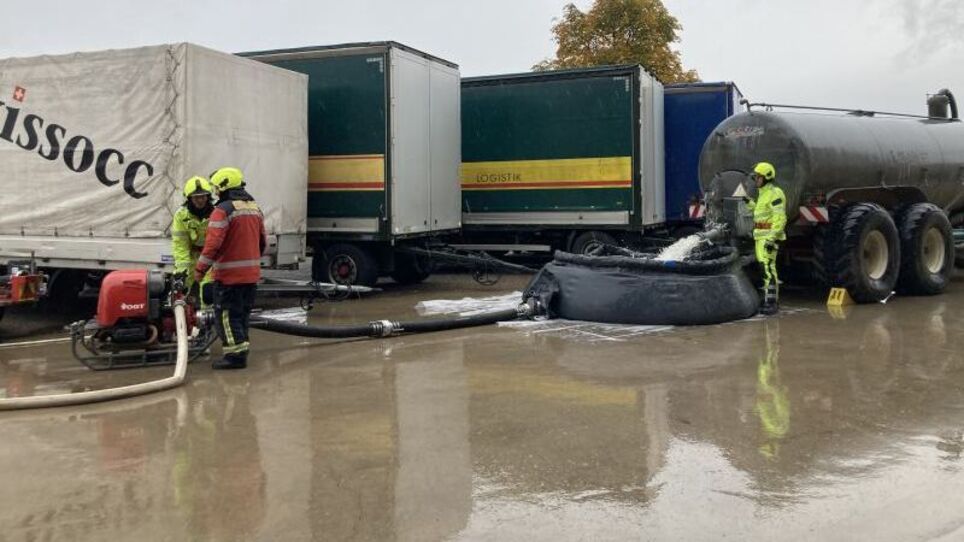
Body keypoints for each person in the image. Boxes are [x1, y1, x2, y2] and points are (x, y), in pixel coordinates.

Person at [195, 167, 266, 370]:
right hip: (251, 276)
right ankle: (242, 349)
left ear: (223, 187)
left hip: (229, 277)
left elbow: (212, 246)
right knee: (242, 315)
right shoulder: (254, 208)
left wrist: (200, 270)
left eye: (216, 188)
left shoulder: (222, 210)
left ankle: (235, 356)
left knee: (226, 316)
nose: (215, 192)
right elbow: (262, 242)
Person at [746, 162, 787, 315]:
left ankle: (772, 302)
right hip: (760, 238)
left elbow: (780, 218)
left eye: (758, 177)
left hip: (768, 238)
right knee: (764, 269)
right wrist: (748, 202)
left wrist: (772, 238)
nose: (756, 179)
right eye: (755, 177)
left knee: (768, 268)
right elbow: (760, 212)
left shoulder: (775, 193)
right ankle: (767, 300)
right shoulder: (763, 194)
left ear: (766, 177)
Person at [171, 176, 214, 306]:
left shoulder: (217, 213)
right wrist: (181, 270)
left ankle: (207, 317)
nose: (200, 200)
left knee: (208, 293)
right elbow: (180, 244)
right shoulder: (181, 215)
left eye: (203, 196)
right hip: (190, 256)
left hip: (210, 257)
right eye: (196, 197)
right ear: (189, 198)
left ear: (208, 196)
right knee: (181, 290)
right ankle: (183, 316)